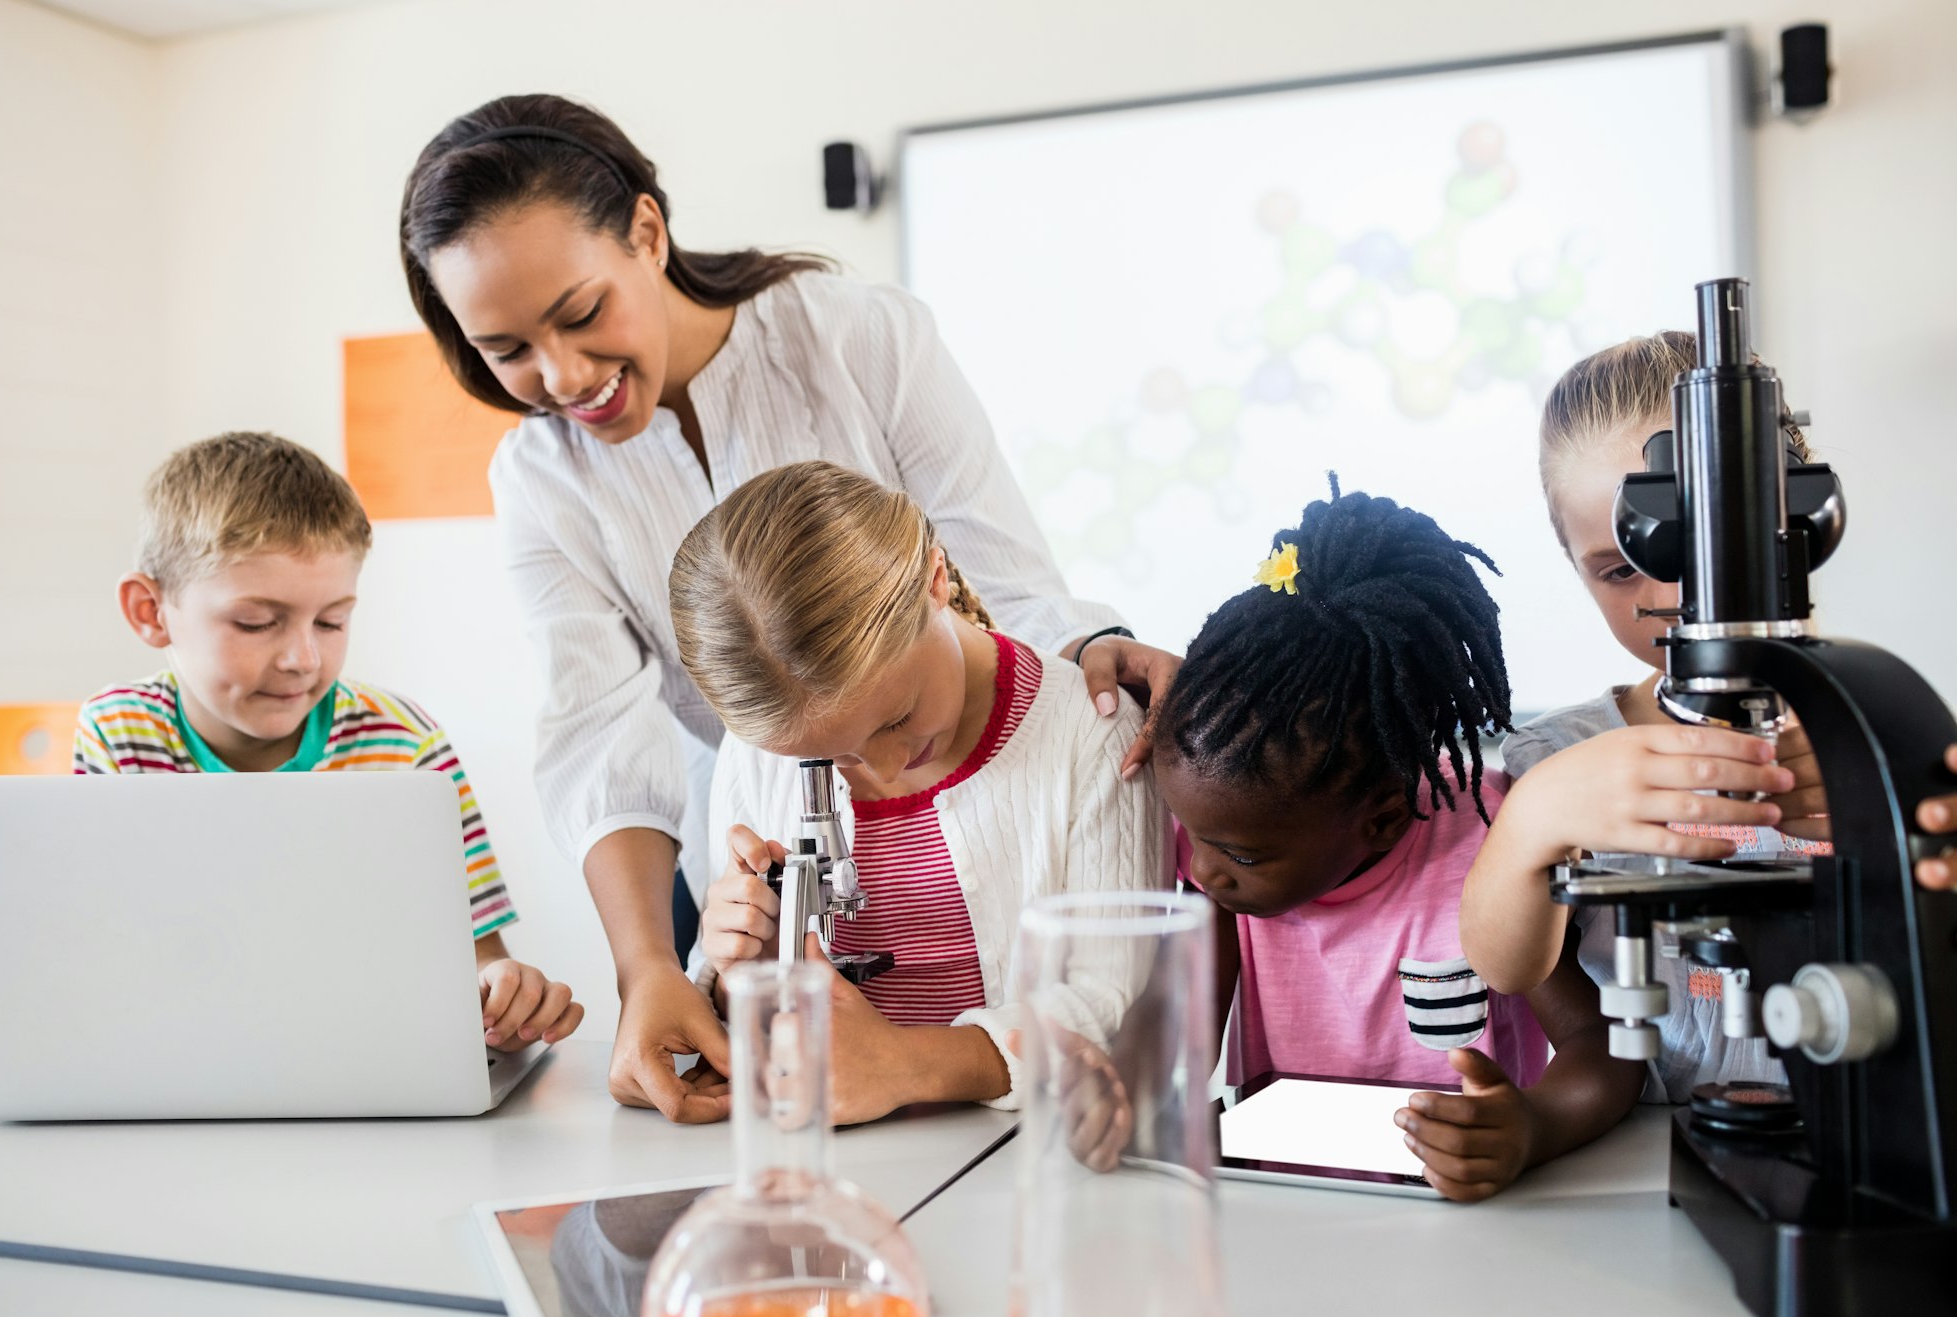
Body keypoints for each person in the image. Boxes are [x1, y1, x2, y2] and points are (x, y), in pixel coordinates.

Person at [399, 93, 1176, 1121]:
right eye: (506, 351)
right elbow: (598, 737)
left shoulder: (855, 338)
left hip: (964, 819)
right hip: (750, 829)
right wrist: (648, 973)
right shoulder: (539, 477)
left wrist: (1097, 656)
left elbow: (1007, 577)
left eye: (581, 314)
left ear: (646, 229)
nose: (564, 374)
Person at [1149, 479, 1644, 1202]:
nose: (1202, 869)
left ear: (1380, 820)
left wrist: (1531, 1126)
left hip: (1451, 1211)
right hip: (1282, 1204)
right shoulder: (1233, 845)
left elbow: (1601, 1051)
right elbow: (1177, 1025)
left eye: (1240, 856)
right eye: (1191, 834)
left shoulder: (1484, 849)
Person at [668, 461, 1171, 1122]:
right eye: (829, 756)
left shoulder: (1089, 734)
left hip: (1026, 1154)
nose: (883, 765)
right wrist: (743, 974)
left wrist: (907, 1067)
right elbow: (733, 998)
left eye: (898, 718)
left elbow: (1107, 1001)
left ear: (935, 579)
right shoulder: (756, 754)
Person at [72, 432, 584, 1052]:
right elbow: (106, 952)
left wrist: (501, 993)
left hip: (360, 1055)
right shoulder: (120, 734)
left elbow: (476, 958)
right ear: (151, 613)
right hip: (182, 1054)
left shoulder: (404, 744)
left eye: (332, 621)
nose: (303, 658)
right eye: (256, 623)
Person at [1459, 333, 1839, 1103]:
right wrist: (1537, 817)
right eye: (1620, 567)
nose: (1667, 593)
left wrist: (1888, 809)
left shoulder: (1866, 723)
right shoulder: (1560, 756)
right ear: (1575, 565)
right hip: (1642, 1154)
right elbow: (1507, 965)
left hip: (1854, 1133)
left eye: (1694, 549)